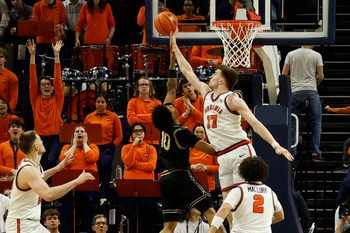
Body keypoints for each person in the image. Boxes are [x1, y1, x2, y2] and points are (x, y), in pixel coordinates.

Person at [171, 30, 293, 205]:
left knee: (244, 201)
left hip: (240, 151)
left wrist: (275, 145)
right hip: (222, 155)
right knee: (227, 204)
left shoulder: (232, 100)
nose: (211, 76)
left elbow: (255, 124)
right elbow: (187, 71)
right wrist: (175, 47)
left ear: (222, 80)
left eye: (215, 75)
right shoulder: (206, 93)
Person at [151, 50, 226, 233]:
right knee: (210, 211)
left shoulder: (164, 128)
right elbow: (212, 150)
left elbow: (170, 88)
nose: (171, 105)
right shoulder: (181, 132)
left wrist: (171, 64)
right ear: (171, 115)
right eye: (169, 108)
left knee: (168, 227)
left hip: (166, 179)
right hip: (180, 175)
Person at [5, 130, 95, 232]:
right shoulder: (28, 170)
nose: (43, 142)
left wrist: (57, 168)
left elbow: (39, 178)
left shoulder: (33, 165)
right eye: (40, 140)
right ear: (36, 146)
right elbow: (48, 195)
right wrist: (76, 181)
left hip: (31, 223)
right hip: (21, 224)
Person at [209, 157, 284, 233]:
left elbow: (224, 209)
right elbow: (280, 216)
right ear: (263, 172)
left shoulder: (238, 191)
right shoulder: (270, 192)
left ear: (242, 172)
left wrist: (212, 231)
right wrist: (260, 223)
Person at [282, 45, 324, 161]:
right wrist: (315, 84)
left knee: (293, 121)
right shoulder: (316, 55)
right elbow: (321, 76)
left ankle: (292, 151)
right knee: (316, 123)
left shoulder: (291, 54)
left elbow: (284, 74)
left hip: (295, 91)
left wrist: (294, 84)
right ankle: (315, 152)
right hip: (312, 91)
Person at [27, 39, 64, 170]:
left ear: (52, 88)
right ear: (39, 88)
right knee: (39, 165)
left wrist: (57, 55)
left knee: (52, 160)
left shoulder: (57, 100)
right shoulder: (35, 99)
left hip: (55, 137)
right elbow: (32, 79)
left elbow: (58, 79)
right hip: (39, 138)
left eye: (48, 84)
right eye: (43, 84)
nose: (46, 86)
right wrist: (32, 56)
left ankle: (51, 188)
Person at [58, 125, 99, 233]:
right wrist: (74, 145)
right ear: (73, 135)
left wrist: (85, 144)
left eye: (82, 131)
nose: (79, 133)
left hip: (88, 188)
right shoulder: (66, 148)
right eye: (77, 132)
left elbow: (91, 158)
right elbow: (63, 160)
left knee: (87, 217)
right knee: (69, 218)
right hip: (70, 188)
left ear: (86, 135)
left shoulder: (93, 146)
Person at [84, 94, 123, 204]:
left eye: (102, 102)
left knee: (105, 164)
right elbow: (84, 134)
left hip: (108, 146)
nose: (100, 104)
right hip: (93, 147)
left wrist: (113, 145)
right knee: (94, 169)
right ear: (95, 103)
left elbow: (119, 136)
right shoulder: (89, 117)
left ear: (106, 104)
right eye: (98, 102)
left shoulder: (114, 116)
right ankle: (94, 195)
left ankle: (104, 195)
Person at [120, 122, 158, 233]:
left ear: (144, 134)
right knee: (130, 219)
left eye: (141, 131)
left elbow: (151, 166)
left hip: (147, 187)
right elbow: (127, 161)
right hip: (129, 186)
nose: (139, 133)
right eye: (136, 131)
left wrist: (134, 165)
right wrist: (134, 146)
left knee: (147, 219)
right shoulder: (126, 148)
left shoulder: (151, 148)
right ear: (131, 134)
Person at [126, 77, 162, 145]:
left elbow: (158, 120)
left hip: (154, 140)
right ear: (138, 88)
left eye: (146, 84)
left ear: (150, 87)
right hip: (136, 139)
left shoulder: (157, 103)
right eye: (142, 84)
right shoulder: (132, 102)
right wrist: (150, 117)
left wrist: (138, 116)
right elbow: (131, 120)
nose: (144, 86)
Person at [190, 124, 218, 192]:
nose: (199, 134)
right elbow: (181, 166)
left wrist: (206, 167)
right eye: (197, 132)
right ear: (193, 134)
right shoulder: (186, 148)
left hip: (208, 186)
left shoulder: (212, 149)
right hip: (190, 183)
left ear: (205, 135)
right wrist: (191, 167)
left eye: (202, 132)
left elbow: (219, 167)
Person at [0, 47, 18, 113]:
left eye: (1, 57)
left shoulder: (12, 77)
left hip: (5, 112)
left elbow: (14, 98)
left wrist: (8, 112)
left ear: (5, 59)